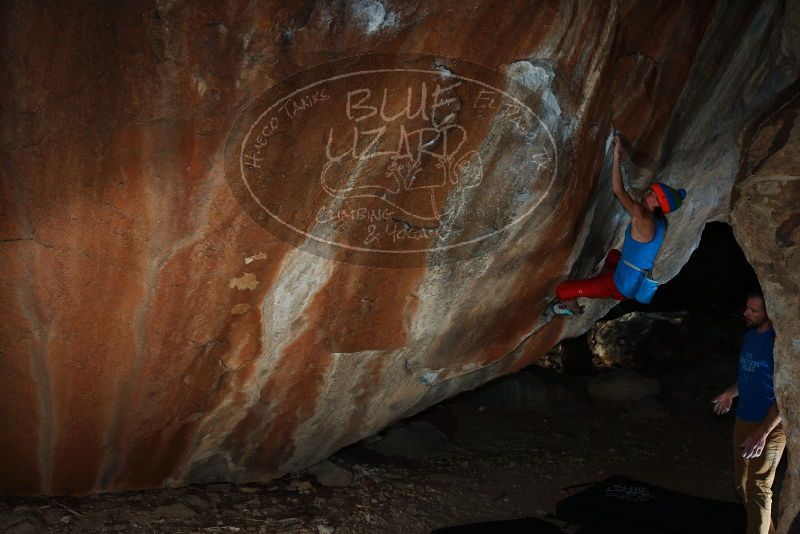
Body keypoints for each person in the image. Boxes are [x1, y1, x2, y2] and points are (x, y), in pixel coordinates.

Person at [550, 133, 687, 317]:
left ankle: (572, 308)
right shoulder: (661, 222)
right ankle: (598, 282)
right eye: (651, 191)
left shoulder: (641, 216)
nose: (648, 193)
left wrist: (616, 154)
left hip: (620, 286)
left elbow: (618, 190)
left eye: (653, 195)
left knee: (563, 290)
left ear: (659, 205)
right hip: (633, 280)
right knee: (614, 255)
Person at [712, 290, 785, 534]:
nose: (746, 313)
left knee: (758, 487)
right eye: (747, 307)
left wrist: (762, 434)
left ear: (769, 313)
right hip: (744, 418)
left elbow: (784, 396)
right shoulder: (751, 336)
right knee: (742, 485)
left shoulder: (779, 344)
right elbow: (748, 377)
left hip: (769, 426)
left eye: (754, 310)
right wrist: (729, 394)